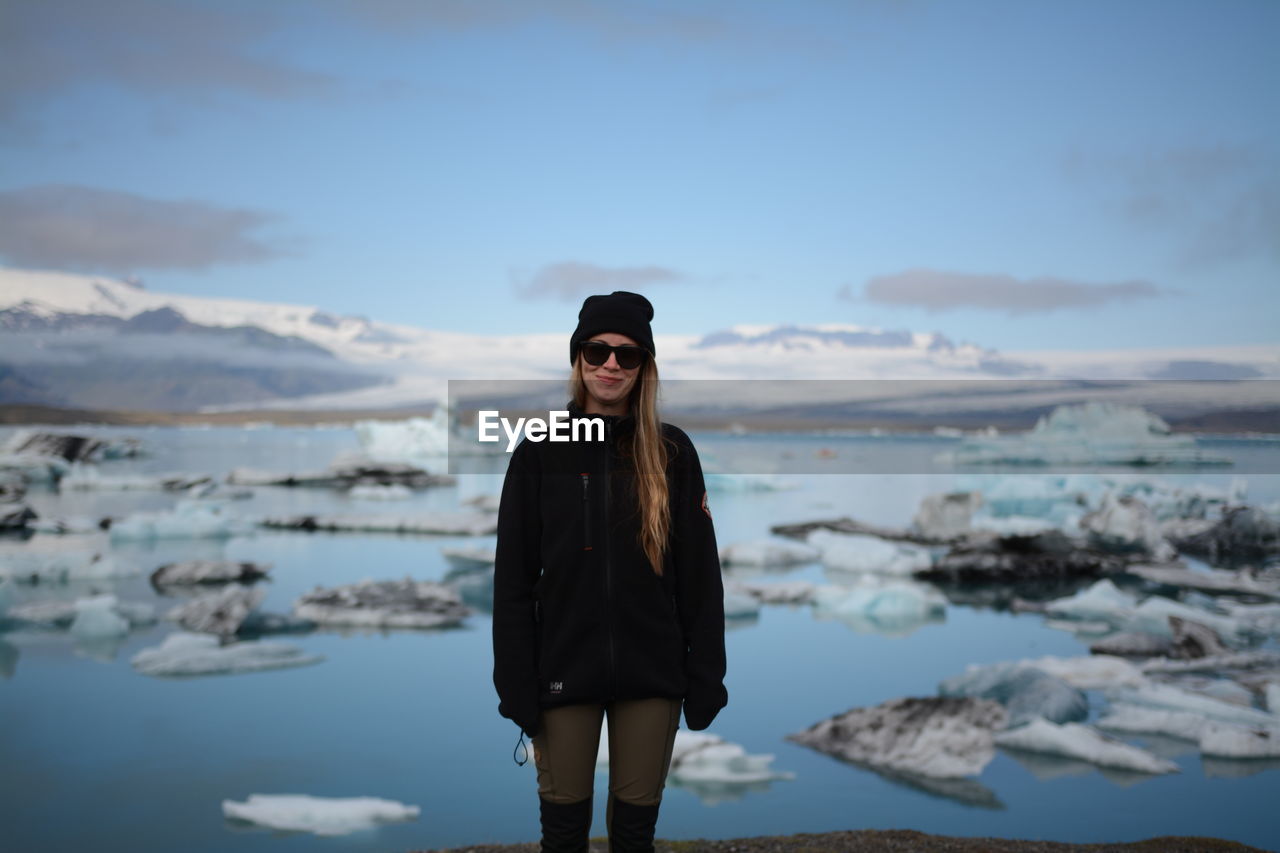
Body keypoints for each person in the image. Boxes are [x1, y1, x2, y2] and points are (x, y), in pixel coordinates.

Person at [492, 291, 728, 852]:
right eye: (597, 351)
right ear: (577, 359)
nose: (610, 365)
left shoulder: (672, 452)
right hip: (563, 666)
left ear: (646, 367)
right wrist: (514, 679)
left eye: (628, 355)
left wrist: (707, 673)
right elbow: (513, 580)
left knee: (634, 834)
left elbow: (700, 576)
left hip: (652, 670)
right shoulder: (540, 449)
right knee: (564, 832)